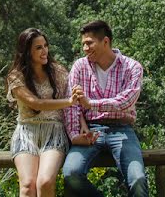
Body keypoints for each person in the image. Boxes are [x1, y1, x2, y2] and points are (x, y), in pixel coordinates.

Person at [62, 20, 148, 197]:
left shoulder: (132, 67)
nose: (85, 48)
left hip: (122, 129)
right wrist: (75, 135)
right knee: (71, 173)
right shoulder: (79, 66)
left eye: (89, 43)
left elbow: (126, 102)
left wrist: (90, 103)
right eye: (83, 44)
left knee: (138, 179)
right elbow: (71, 105)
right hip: (91, 131)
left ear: (105, 41)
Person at [7, 28, 85, 197]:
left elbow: (75, 105)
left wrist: (83, 125)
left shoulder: (58, 72)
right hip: (26, 133)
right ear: (26, 51)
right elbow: (36, 103)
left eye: (45, 46)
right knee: (28, 185)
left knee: (45, 181)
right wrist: (68, 101)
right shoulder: (16, 76)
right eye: (38, 48)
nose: (45, 51)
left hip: (54, 132)